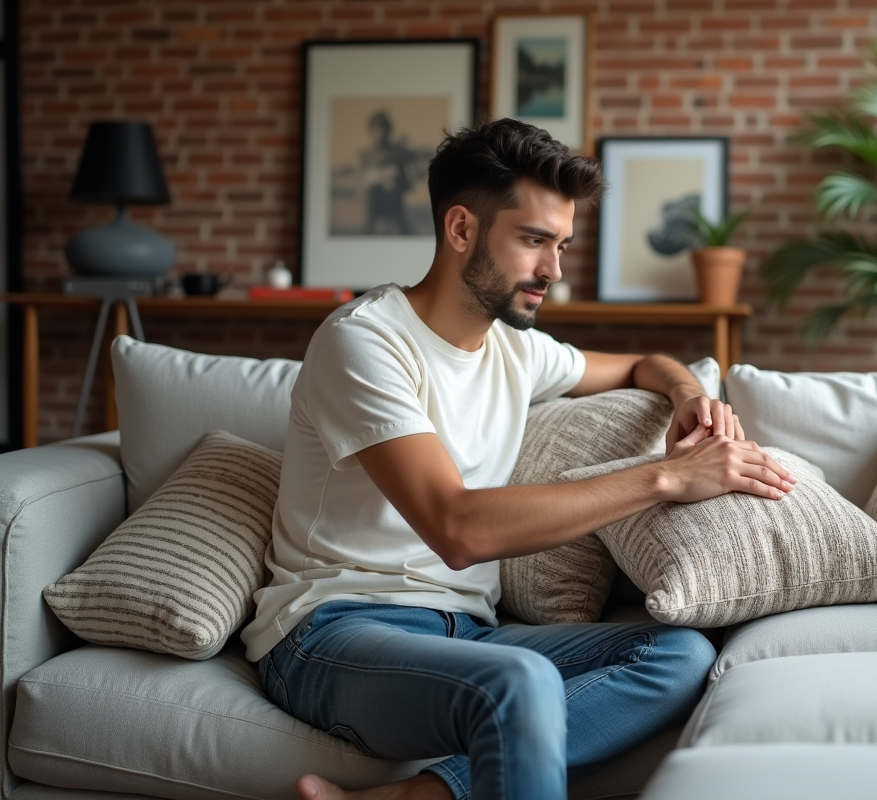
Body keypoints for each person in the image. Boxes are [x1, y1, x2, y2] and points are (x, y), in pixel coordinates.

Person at [242, 118, 797, 800]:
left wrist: (687, 392)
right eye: (534, 241)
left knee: (680, 655)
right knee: (522, 683)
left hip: (469, 637)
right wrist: (669, 477)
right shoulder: (365, 343)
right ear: (461, 230)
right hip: (333, 632)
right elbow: (457, 528)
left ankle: (425, 795)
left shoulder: (517, 350)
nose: (554, 271)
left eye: (561, 244)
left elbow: (642, 364)